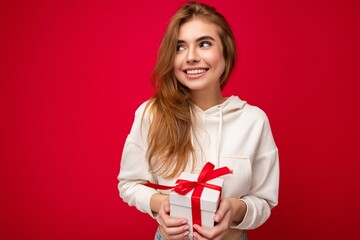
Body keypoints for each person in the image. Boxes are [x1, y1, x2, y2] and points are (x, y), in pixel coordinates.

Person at [118, 2, 279, 240]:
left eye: (204, 44)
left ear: (226, 52)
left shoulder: (253, 121)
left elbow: (264, 202)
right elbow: (128, 184)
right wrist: (161, 205)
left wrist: (235, 209)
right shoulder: (151, 114)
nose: (191, 57)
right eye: (180, 47)